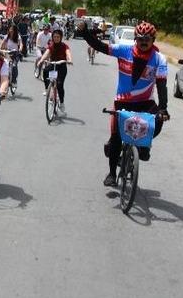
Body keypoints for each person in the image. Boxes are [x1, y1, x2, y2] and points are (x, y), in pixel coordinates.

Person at [80, 21, 170, 186]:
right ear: (135, 39)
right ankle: (112, 174)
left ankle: (144, 146)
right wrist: (85, 33)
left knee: (159, 120)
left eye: (148, 39)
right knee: (116, 138)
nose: (144, 41)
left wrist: (163, 108)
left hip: (145, 102)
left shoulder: (159, 59)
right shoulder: (124, 50)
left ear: (153, 40)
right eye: (141, 38)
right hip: (123, 101)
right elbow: (100, 46)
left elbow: (162, 85)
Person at [38, 29, 73, 112]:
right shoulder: (51, 46)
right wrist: (41, 60)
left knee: (60, 85)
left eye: (58, 37)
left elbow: (68, 53)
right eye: (54, 37)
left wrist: (70, 60)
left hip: (61, 66)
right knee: (45, 71)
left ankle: (62, 102)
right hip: (53, 64)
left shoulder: (64, 46)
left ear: (61, 37)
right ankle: (47, 89)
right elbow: (46, 53)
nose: (56, 38)